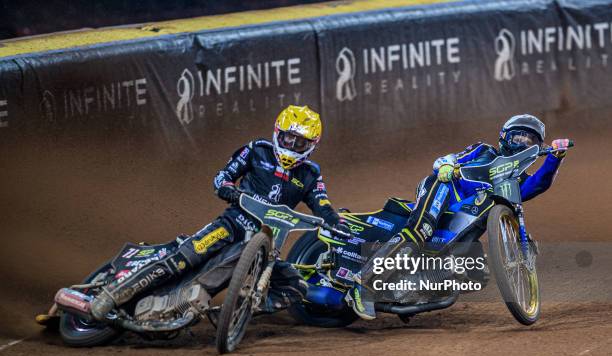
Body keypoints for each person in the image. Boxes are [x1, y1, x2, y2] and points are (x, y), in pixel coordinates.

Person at [90, 105, 349, 320]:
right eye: (288, 138)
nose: (292, 145)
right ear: (277, 133)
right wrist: (228, 189)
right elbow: (223, 176)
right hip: (232, 223)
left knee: (293, 285)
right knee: (186, 257)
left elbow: (322, 205)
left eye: (300, 142)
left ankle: (233, 312)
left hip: (265, 241)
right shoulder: (257, 149)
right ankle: (111, 295)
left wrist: (335, 222)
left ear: (312, 145)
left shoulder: (310, 174)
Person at [347, 114, 571, 320]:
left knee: (464, 266)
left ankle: (410, 291)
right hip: (444, 189)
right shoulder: (484, 150)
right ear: (504, 137)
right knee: (420, 231)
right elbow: (448, 159)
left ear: (538, 147)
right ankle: (363, 287)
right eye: (518, 136)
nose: (523, 143)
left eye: (530, 140)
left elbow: (539, 183)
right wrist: (446, 165)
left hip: (461, 220)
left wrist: (555, 158)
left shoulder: (516, 182)